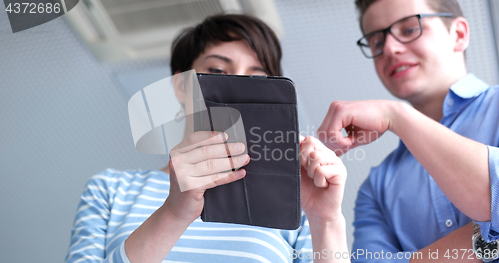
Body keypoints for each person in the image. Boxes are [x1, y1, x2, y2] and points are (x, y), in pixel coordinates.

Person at [65, 14, 349, 263]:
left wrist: (326, 220)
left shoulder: (294, 204)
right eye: (216, 70)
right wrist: (173, 214)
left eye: (257, 74)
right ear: (181, 86)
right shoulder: (110, 189)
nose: (237, 81)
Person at [317, 0, 499, 262]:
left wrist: (397, 115)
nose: (389, 48)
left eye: (409, 29)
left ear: (458, 34)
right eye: (377, 42)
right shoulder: (376, 188)